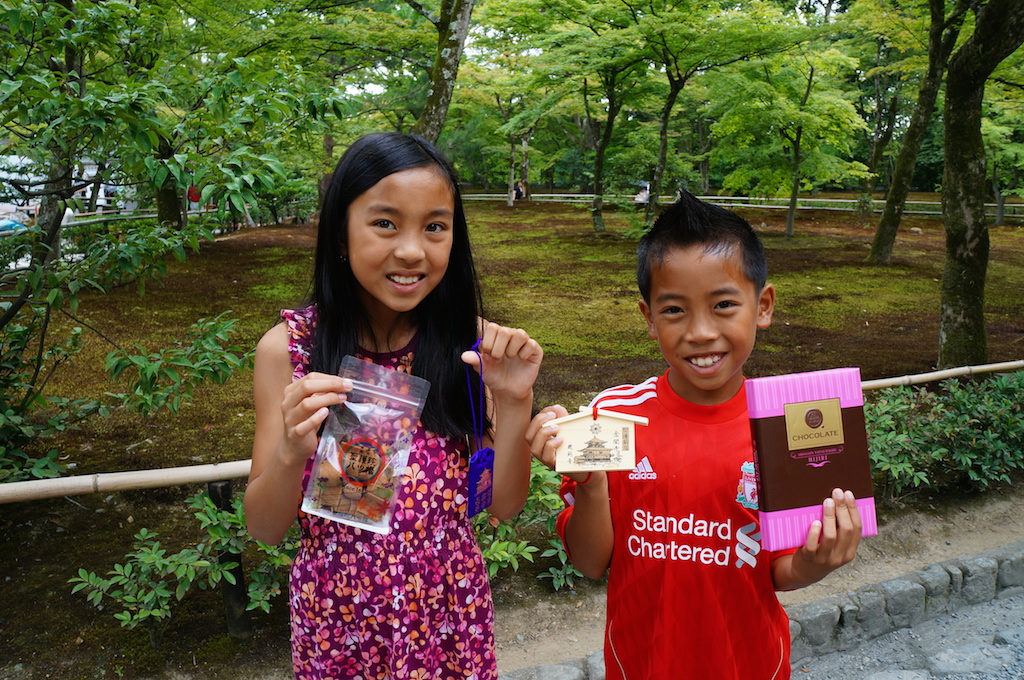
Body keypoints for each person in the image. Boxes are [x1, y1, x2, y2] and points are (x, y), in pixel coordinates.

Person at [526, 191, 862, 680]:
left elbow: (781, 572)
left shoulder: (789, 425)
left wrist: (818, 561)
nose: (701, 332)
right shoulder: (613, 417)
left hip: (751, 664)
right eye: (675, 310)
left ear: (762, 305)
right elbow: (591, 562)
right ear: (648, 318)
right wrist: (591, 484)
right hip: (639, 664)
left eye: (724, 304)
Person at [245, 132, 543, 680]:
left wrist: (514, 399)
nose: (411, 250)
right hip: (339, 620)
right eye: (385, 223)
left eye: (434, 226)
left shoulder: (472, 350)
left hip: (450, 616)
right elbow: (264, 527)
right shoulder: (289, 352)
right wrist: (292, 449)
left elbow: (502, 505)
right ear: (341, 234)